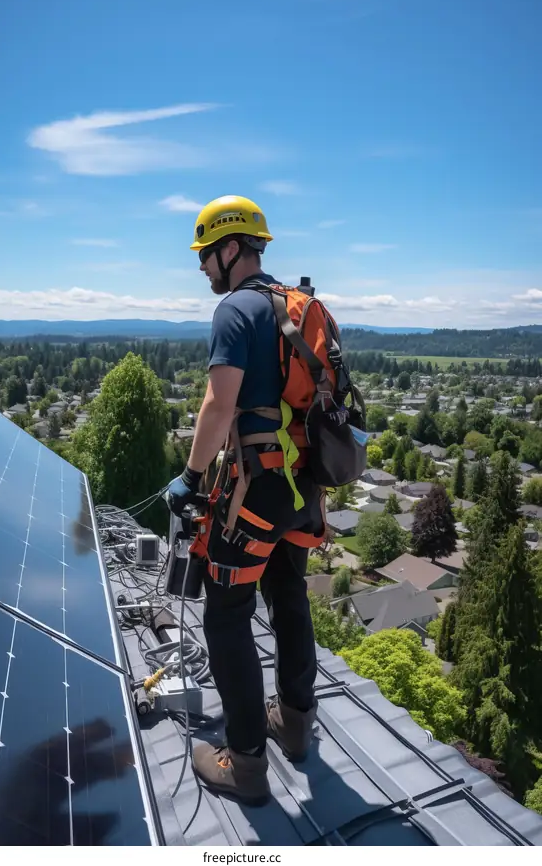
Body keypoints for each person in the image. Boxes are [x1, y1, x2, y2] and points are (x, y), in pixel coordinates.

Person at [166, 195, 324, 806]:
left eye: (206, 254)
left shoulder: (235, 309)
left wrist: (191, 475)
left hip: (256, 491)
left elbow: (219, 404)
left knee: (227, 614)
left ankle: (247, 763)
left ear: (231, 249)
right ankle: (296, 724)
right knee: (288, 593)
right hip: (304, 488)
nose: (202, 267)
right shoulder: (298, 307)